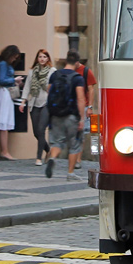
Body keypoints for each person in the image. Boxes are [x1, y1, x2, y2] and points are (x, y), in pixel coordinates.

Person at [45, 50, 87, 181]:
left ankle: (52, 158)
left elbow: (49, 91)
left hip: (56, 114)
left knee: (57, 142)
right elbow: (80, 98)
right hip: (71, 115)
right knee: (74, 144)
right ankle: (70, 173)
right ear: (77, 63)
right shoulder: (77, 78)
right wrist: (81, 118)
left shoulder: (55, 75)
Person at [20, 49, 55, 166]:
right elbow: (27, 87)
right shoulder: (32, 72)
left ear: (48, 59)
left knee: (41, 129)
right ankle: (48, 150)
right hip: (34, 103)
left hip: (46, 103)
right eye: (40, 57)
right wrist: (23, 101)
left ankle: (38, 158)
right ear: (37, 58)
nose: (42, 59)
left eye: (44, 57)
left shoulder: (52, 71)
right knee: (36, 132)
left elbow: (55, 87)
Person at [0, 44, 20, 160]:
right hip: (4, 92)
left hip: (6, 93)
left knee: (5, 122)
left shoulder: (4, 64)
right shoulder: (3, 64)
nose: (14, 59)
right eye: (14, 57)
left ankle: (4, 150)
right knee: (3, 122)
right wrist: (14, 80)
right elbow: (0, 80)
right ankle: (4, 151)